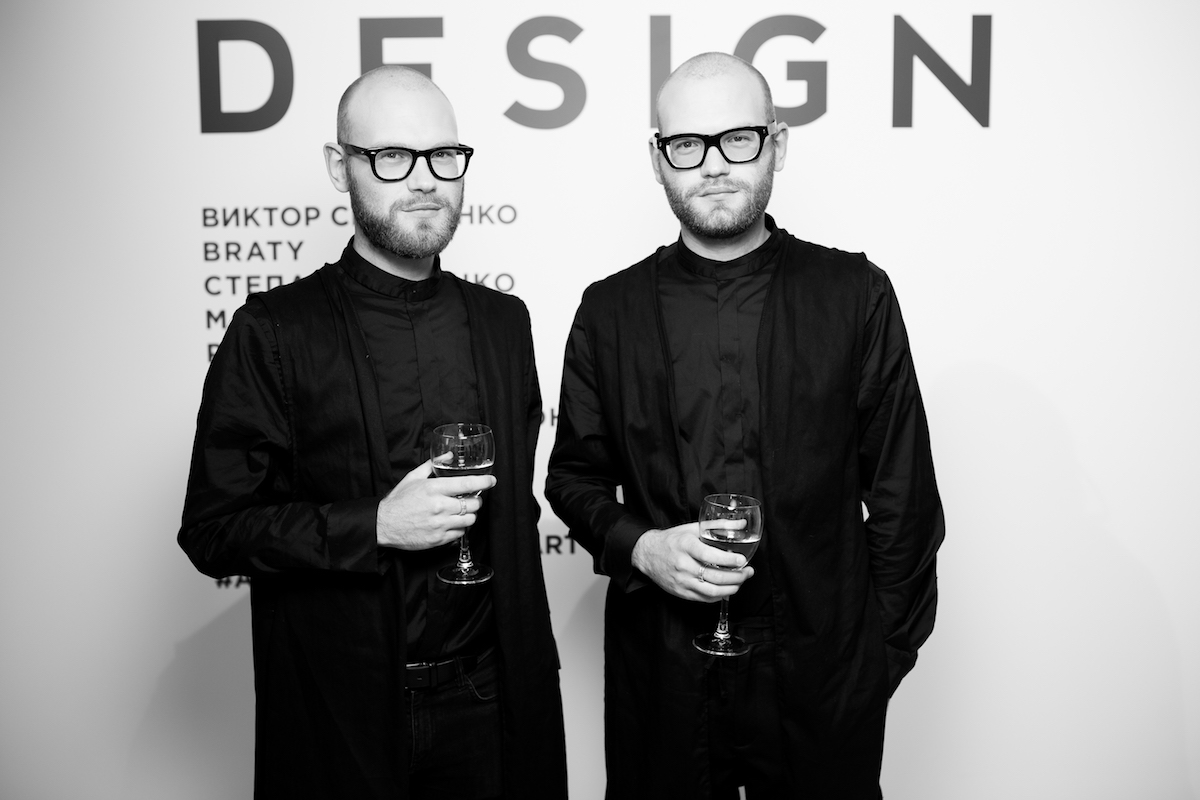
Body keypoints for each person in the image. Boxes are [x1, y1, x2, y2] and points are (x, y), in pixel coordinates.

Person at [545, 52, 944, 799]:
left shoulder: (854, 294)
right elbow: (572, 478)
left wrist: (875, 661)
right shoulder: (609, 310)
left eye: (738, 139)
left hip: (821, 678)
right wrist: (643, 547)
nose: (713, 165)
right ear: (658, 158)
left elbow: (904, 500)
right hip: (662, 675)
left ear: (777, 144)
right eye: (686, 145)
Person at [179, 66, 566, 800]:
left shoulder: (502, 324)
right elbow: (214, 531)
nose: (424, 180)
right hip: (340, 713)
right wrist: (377, 524)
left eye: (443, 156)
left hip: (489, 704)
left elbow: (515, 510)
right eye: (392, 157)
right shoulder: (273, 332)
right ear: (340, 167)